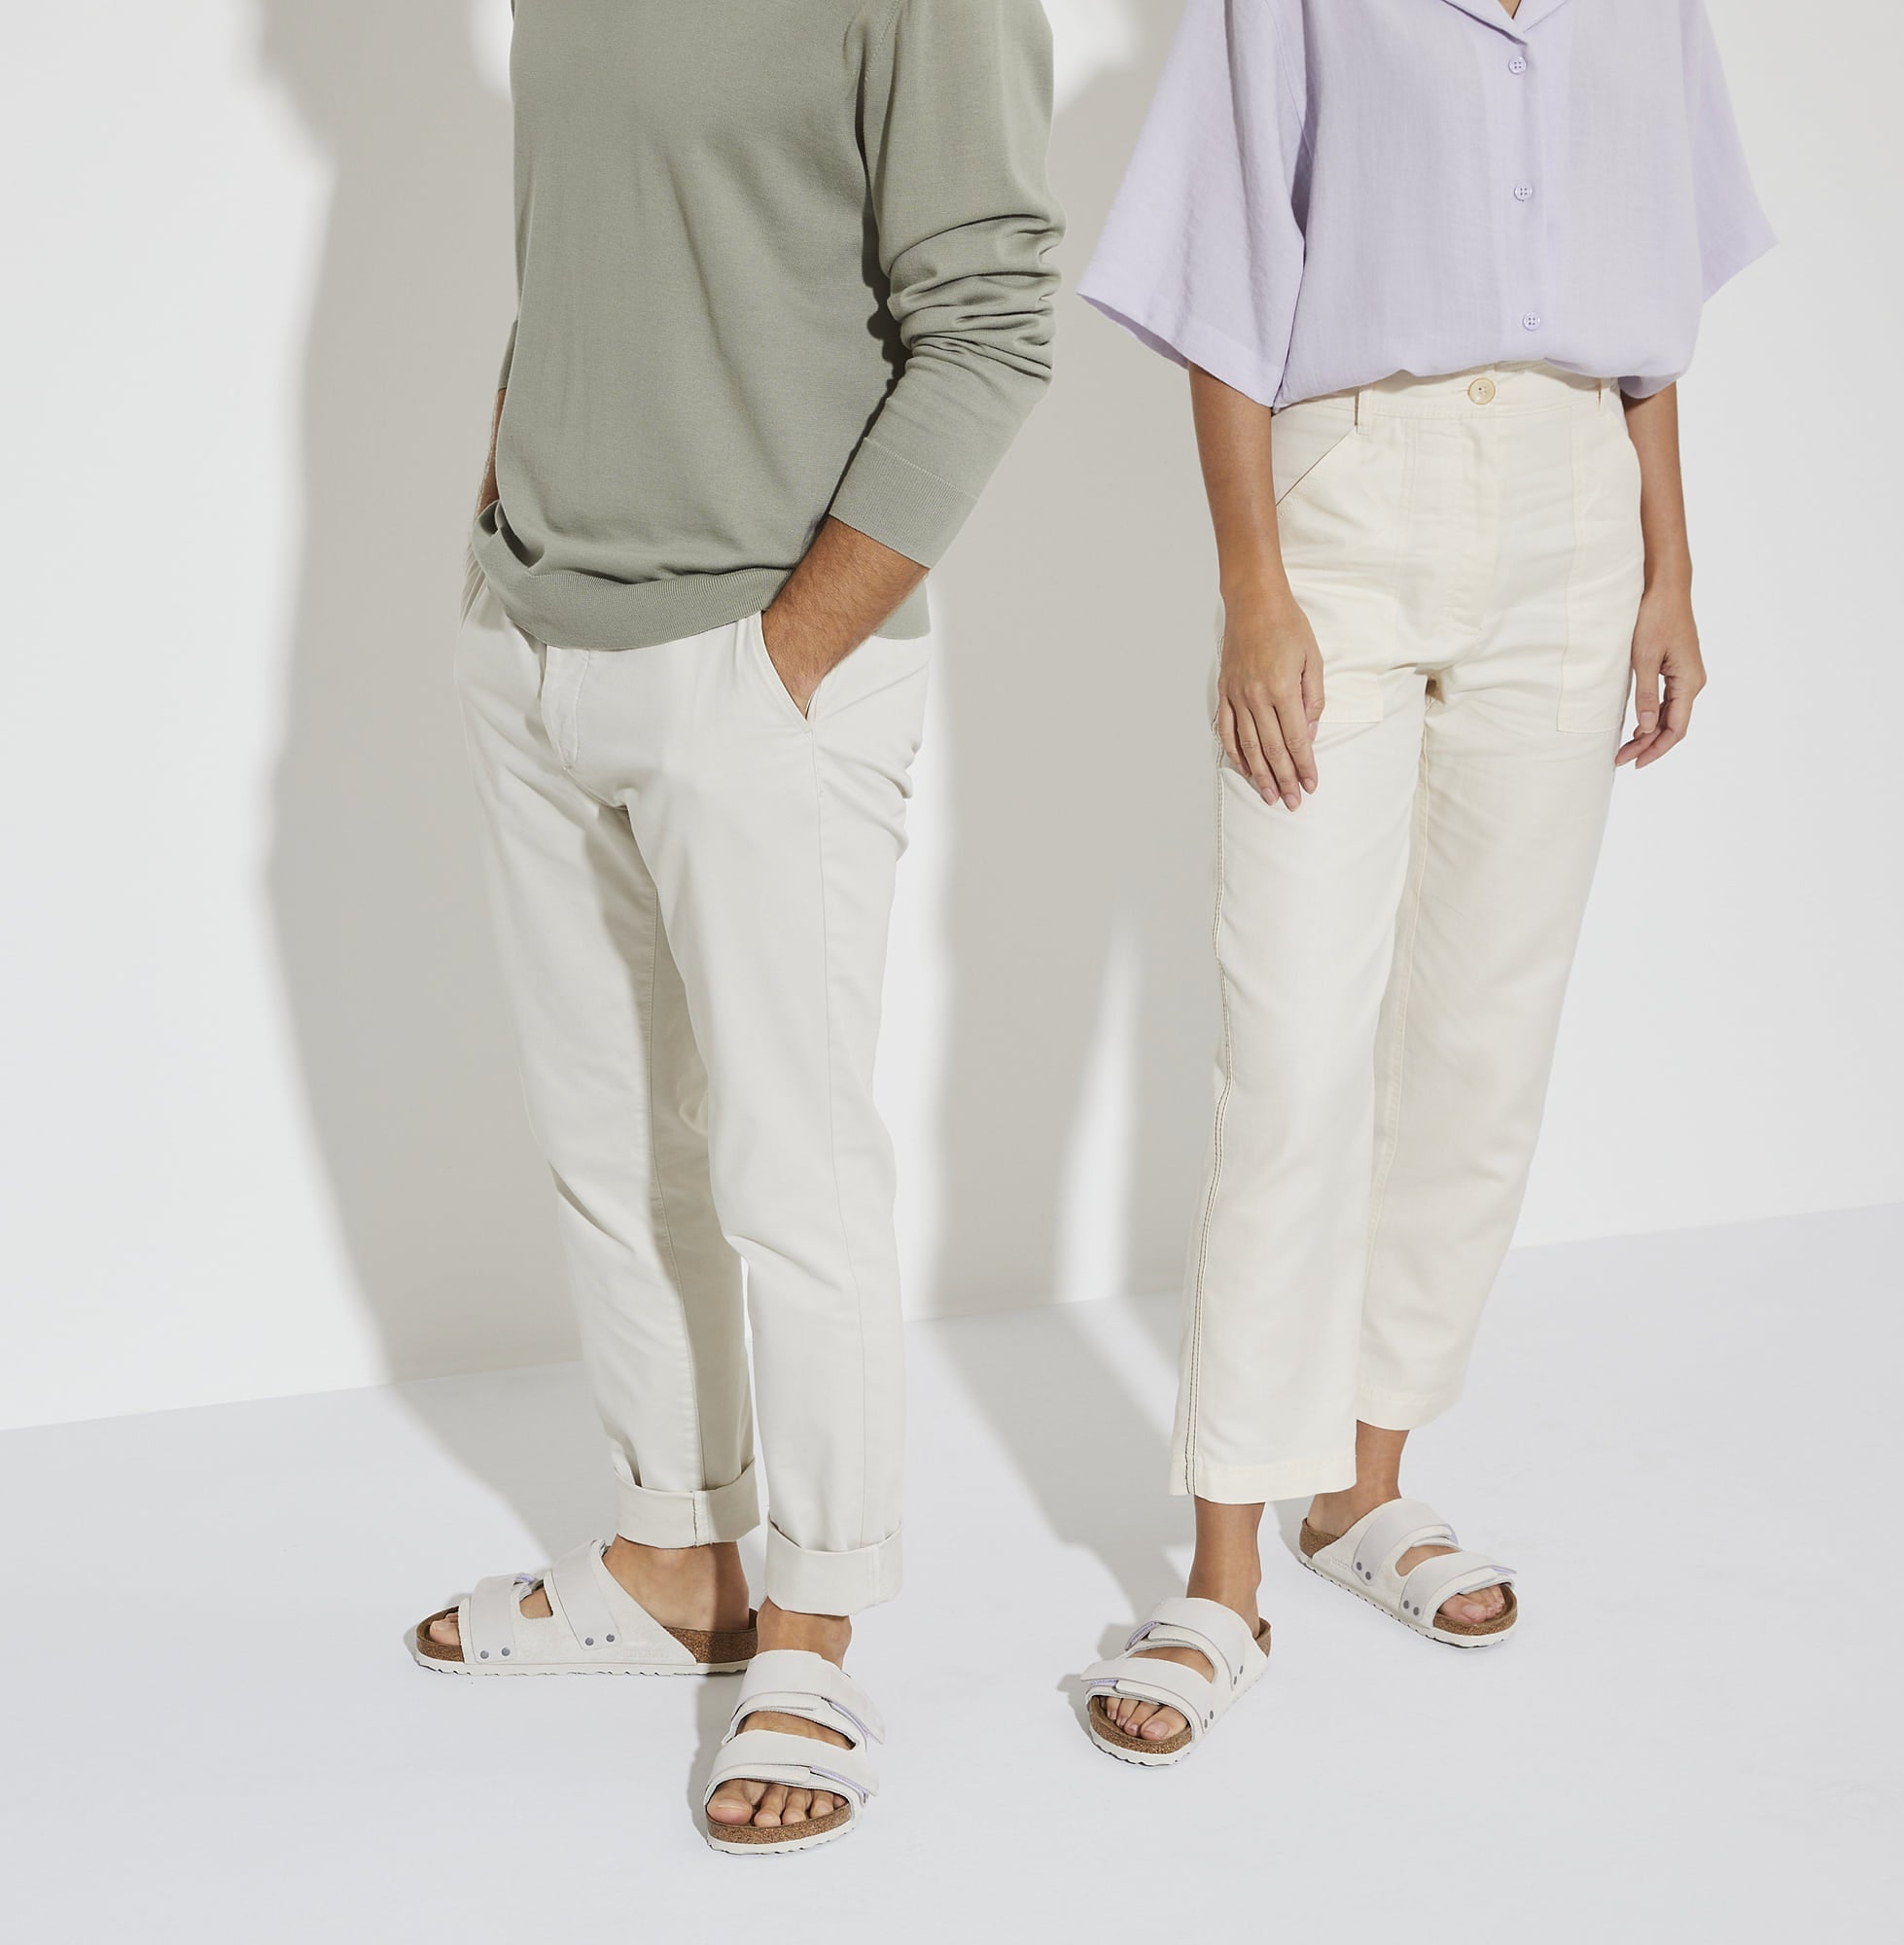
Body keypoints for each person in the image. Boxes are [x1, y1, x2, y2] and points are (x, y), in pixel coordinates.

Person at [1072, 0, 1770, 1762]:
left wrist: (1671, 569)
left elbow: (1649, 296)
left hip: (1574, 512)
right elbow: (1223, 280)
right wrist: (1254, 587)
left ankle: (1363, 1484)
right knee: (1292, 1054)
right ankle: (1221, 1572)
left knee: (1483, 1035)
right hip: (1350, 501)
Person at [413, 0, 1060, 1853]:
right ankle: (673, 1553)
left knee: (793, 1166)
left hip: (765, 656)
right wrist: (501, 527)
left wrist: (789, 654)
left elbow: (993, 320)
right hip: (539, 637)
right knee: (609, 1142)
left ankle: (817, 1624)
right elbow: (580, 256)